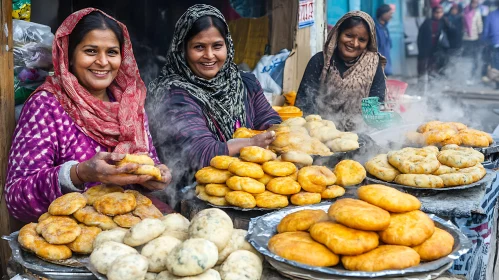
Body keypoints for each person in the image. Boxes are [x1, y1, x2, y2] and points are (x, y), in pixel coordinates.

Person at [5, 8, 172, 223]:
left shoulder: (130, 106)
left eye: (112, 52)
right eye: (91, 51)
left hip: (128, 237)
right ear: (69, 56)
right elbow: (17, 197)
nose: (103, 62)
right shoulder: (47, 105)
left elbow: (148, 163)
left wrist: (154, 177)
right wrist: (80, 173)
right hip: (69, 238)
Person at [146, 4, 280, 203]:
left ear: (228, 45)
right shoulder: (173, 94)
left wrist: (277, 133)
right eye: (199, 47)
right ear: (183, 49)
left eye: (217, 46)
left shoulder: (244, 82)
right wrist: (251, 143)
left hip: (246, 191)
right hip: (190, 197)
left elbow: (268, 119)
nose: (209, 56)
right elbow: (201, 152)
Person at [294, 11, 386, 131]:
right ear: (338, 34)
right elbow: (304, 101)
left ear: (368, 43)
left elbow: (377, 104)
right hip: (320, 132)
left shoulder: (373, 65)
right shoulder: (320, 61)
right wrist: (320, 130)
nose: (354, 43)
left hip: (361, 134)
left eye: (362, 39)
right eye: (349, 35)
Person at [417, 6, 454, 79]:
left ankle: (433, 82)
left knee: (434, 67)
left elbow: (452, 33)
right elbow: (420, 36)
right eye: (437, 12)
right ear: (433, 13)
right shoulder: (427, 22)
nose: (439, 14)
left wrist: (447, 23)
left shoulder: (444, 22)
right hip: (427, 48)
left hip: (438, 49)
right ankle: (421, 84)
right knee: (423, 67)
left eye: (441, 12)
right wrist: (421, 48)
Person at [462, 0, 483, 84]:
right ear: (471, 3)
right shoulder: (464, 12)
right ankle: (466, 76)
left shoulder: (477, 13)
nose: (475, 4)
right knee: (467, 58)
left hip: (474, 38)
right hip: (465, 38)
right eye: (474, 2)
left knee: (474, 58)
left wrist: (480, 36)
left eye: (476, 3)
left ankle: (473, 75)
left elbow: (480, 25)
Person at [482, 3, 499, 88]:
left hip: (495, 43)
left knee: (496, 65)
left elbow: (486, 30)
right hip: (495, 42)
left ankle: (498, 84)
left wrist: (484, 41)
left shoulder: (491, 15)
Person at [375, 4, 394, 76]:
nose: (391, 16)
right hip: (378, 64)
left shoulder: (385, 28)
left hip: (386, 63)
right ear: (383, 13)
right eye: (389, 13)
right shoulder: (375, 27)